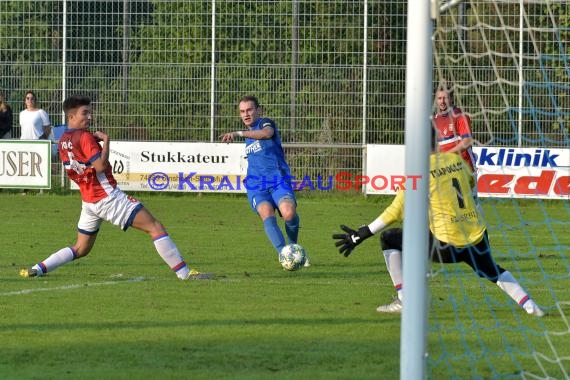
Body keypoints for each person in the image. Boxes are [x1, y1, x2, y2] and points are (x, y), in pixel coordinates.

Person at [332, 128, 544, 317]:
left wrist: (363, 233)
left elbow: (396, 210)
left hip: (445, 245)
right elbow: (469, 182)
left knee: (389, 239)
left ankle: (405, 300)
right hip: (477, 236)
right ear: (438, 141)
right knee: (492, 271)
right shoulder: (457, 161)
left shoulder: (418, 171)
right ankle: (532, 307)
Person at [20, 95, 212, 280]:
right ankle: (184, 274)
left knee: (81, 248)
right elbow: (101, 167)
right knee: (155, 227)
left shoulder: (63, 141)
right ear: (71, 116)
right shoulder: (84, 137)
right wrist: (106, 142)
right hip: (107, 197)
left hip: (89, 202)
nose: (89, 117)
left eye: (90, 113)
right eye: (84, 113)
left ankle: (37, 269)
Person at [220, 95, 309, 267]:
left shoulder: (264, 124)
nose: (246, 114)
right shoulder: (249, 136)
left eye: (249, 110)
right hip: (257, 187)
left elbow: (267, 134)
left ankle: (293, 249)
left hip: (278, 181)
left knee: (289, 213)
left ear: (259, 110)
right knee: (266, 213)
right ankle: (286, 257)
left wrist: (238, 133)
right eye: (242, 111)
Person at [433, 84, 476, 173]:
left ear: (451, 99)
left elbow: (467, 141)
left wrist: (447, 155)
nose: (442, 101)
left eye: (445, 98)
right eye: (439, 98)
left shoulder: (460, 116)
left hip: (464, 170)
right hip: (445, 171)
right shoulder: (435, 119)